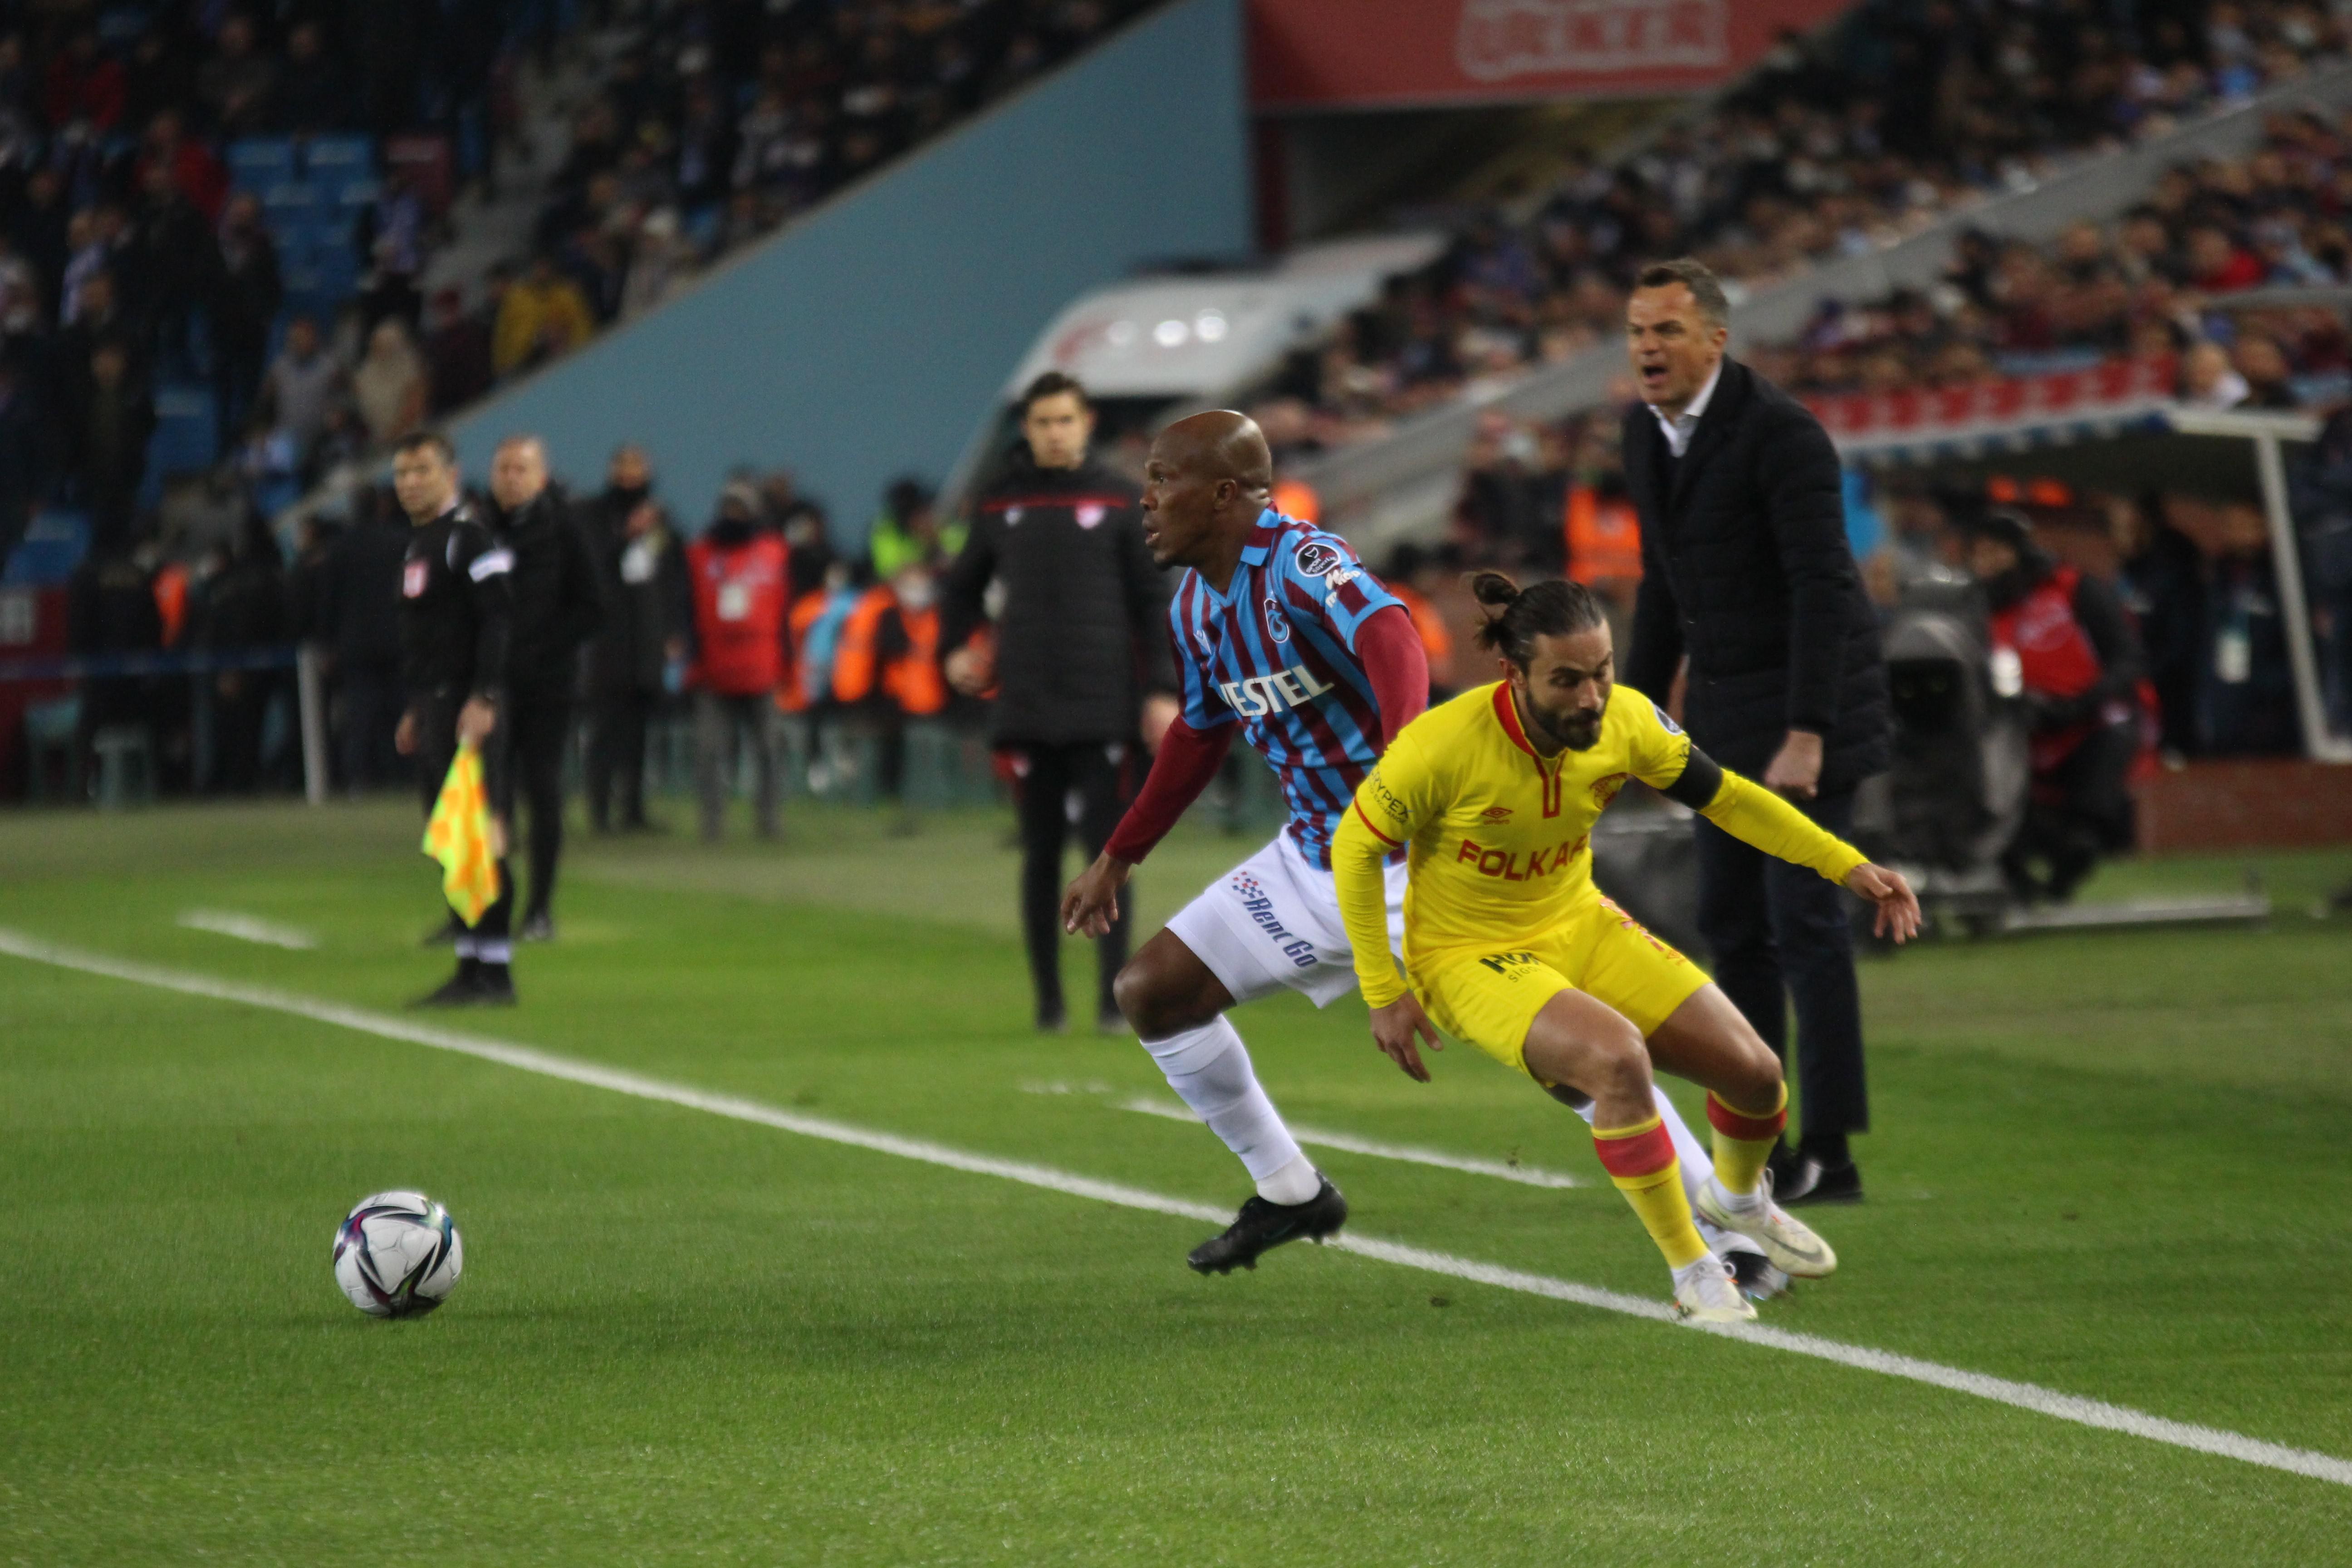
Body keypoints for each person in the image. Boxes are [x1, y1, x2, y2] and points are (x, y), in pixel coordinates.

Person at [1058, 413, 1767, 1289]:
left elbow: (1387, 631)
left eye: (1162, 478)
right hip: (1308, 855)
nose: (1146, 498)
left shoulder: (1298, 562)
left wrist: (1401, 770)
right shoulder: (1197, 604)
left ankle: (1728, 1237)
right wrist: (1118, 856)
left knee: (1578, 1066)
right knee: (1152, 991)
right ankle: (1289, 1191)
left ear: (1224, 494)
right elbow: (1199, 736)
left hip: (1411, 871)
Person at [1333, 575, 1919, 1322]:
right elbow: (1354, 846)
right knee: (1616, 1061)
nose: (1590, 697)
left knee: (1754, 1074)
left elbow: (1730, 799)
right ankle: (1693, 1270)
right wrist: (1382, 988)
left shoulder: (1629, 722)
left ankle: (1737, 1198)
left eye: (1602, 672)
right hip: (1467, 954)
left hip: (1579, 921)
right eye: (1566, 680)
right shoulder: (1440, 747)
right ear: (1512, 676)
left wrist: (1845, 864)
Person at [1620, 258, 1891, 1207]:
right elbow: (1662, 584)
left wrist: (1809, 731)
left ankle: (1834, 1151)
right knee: (1733, 929)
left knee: (1805, 923)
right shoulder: (1644, 436)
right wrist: (1634, 717)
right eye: (1639, 332)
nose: (1648, 348)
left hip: (1805, 708)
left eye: (1667, 332)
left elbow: (1826, 585)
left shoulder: (1782, 435)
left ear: (1716, 340)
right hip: (1724, 713)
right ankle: (1761, 1143)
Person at [942, 372, 1177, 1033]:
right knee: (1040, 854)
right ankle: (1049, 1003)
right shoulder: (1000, 504)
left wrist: (1161, 692)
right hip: (1026, 707)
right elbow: (960, 592)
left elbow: (1153, 602)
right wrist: (956, 649)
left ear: (1086, 422)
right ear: (1028, 428)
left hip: (1104, 706)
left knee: (1108, 856)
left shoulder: (1121, 500)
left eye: (1064, 421)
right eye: (1043, 422)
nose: (1054, 432)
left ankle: (1112, 1000)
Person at [1961, 509, 2149, 902]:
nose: (1987, 564)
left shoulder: (2073, 588)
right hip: (2021, 728)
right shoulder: (1974, 610)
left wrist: (2083, 702)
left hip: (2094, 721)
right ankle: (2019, 883)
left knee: (2088, 818)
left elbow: (2126, 656)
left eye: (1996, 552)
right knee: (1993, 803)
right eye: (1978, 554)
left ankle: (2068, 872)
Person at [389, 431, 517, 1006]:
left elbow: (499, 619)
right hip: (437, 705)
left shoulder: (468, 538)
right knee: (453, 842)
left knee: (481, 837)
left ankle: (496, 970)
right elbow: (428, 637)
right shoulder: (420, 544)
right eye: (402, 473)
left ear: (450, 473)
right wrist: (418, 707)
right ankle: (471, 966)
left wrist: (484, 697)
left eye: (422, 470)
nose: (411, 482)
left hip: (468, 707)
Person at [483, 436, 603, 940]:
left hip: (548, 686)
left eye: (522, 469)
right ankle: (495, 903)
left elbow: (593, 605)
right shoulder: (481, 531)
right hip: (490, 686)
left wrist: (544, 650)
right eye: (505, 468)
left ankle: (539, 909)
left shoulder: (565, 529)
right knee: (490, 797)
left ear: (541, 475)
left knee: (543, 791)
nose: (512, 477)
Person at [686, 481, 789, 839]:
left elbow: (786, 609)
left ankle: (770, 821)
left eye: (741, 509)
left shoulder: (774, 552)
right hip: (714, 671)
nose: (734, 516)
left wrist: (788, 665)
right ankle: (712, 824)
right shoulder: (699, 554)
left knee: (770, 751)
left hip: (762, 669)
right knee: (709, 753)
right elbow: (686, 610)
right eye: (729, 508)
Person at [585, 491, 688, 833]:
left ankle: (633, 811)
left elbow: (673, 593)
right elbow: (600, 578)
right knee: (606, 738)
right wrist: (624, 538)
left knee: (638, 740)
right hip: (610, 661)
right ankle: (599, 812)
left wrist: (671, 637)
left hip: (645, 661)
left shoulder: (662, 548)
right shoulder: (607, 544)